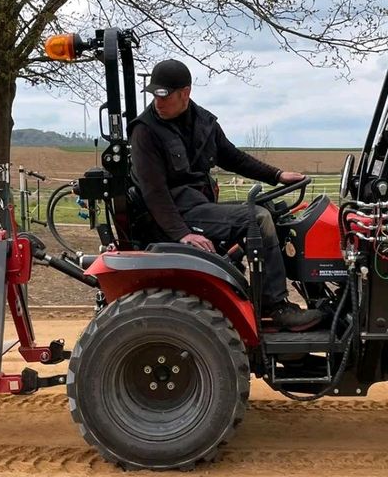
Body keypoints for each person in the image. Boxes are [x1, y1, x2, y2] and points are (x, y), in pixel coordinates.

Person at [129, 58, 322, 331]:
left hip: (201, 206)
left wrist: (277, 175)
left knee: (276, 214)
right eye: (154, 96)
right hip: (179, 212)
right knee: (257, 219)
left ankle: (277, 295)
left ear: (185, 93)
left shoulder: (203, 122)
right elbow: (154, 191)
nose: (158, 103)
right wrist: (182, 233)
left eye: (165, 96)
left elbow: (233, 157)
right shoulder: (145, 131)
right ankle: (275, 307)